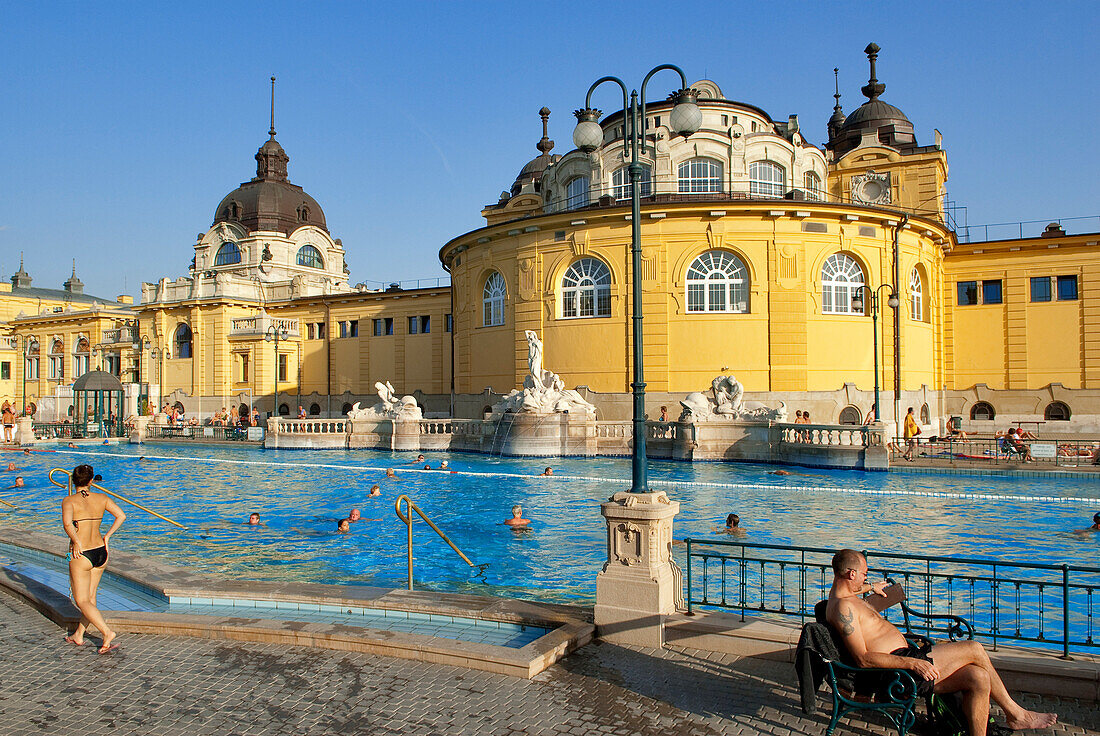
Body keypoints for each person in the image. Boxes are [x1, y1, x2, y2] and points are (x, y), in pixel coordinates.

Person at [826, 549, 1055, 735]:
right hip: (899, 674)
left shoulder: (846, 597)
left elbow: (853, 594)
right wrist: (913, 664)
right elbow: (863, 659)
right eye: (865, 574)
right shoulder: (844, 608)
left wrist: (870, 588)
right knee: (974, 648)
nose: (868, 576)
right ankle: (1016, 714)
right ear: (851, 574)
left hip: (907, 662)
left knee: (979, 677)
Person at [61, 464, 126, 654]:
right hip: (100, 551)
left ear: (74, 480)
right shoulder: (102, 498)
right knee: (90, 598)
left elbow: (67, 523)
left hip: (82, 553)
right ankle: (79, 635)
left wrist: (76, 541)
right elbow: (121, 515)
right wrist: (107, 536)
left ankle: (107, 632)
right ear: (91, 481)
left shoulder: (69, 500)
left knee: (82, 600)